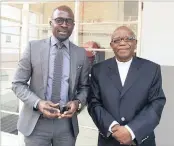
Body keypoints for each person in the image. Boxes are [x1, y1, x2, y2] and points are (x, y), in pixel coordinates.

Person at [12, 5, 90, 146]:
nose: (64, 25)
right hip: (36, 124)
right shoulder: (33, 48)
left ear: (73, 25)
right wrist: (38, 103)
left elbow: (85, 87)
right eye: (59, 20)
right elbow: (17, 84)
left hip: (66, 125)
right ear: (51, 23)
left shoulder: (81, 54)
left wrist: (77, 103)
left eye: (68, 21)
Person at [87, 26, 166, 146]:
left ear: (135, 43)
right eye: (117, 40)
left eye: (128, 39)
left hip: (141, 140)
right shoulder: (98, 70)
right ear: (111, 45)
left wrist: (131, 130)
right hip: (109, 140)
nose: (122, 43)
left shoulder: (152, 69)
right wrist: (114, 127)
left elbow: (156, 103)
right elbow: (93, 102)